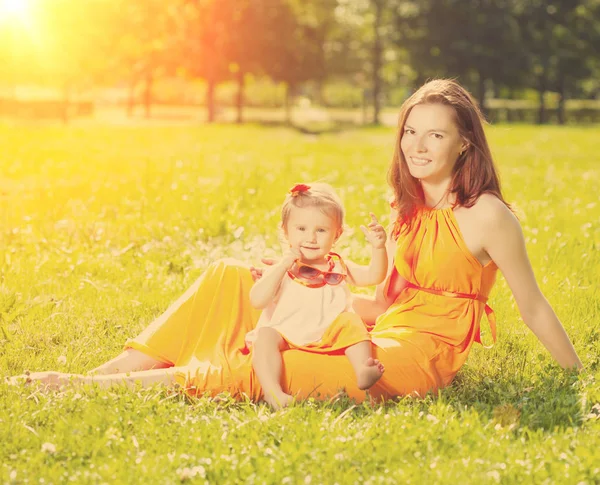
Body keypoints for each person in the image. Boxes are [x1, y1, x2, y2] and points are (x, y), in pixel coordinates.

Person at [10, 79, 582, 403]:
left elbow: (531, 305)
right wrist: (304, 285)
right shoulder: (407, 206)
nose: (417, 145)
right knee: (233, 277)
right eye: (410, 131)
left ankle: (86, 389)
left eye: (436, 134)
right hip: (383, 323)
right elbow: (382, 300)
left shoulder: (487, 215)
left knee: (276, 362)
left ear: (465, 145)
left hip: (416, 354)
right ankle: (113, 369)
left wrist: (576, 378)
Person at [246, 182, 387, 408]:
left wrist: (379, 248)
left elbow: (373, 276)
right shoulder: (283, 267)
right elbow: (257, 300)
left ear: (337, 234)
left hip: (330, 332)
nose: (311, 238)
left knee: (351, 321)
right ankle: (273, 393)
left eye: (321, 230)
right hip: (288, 331)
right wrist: (282, 265)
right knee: (265, 337)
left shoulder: (338, 265)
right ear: (285, 231)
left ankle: (363, 369)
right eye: (301, 229)